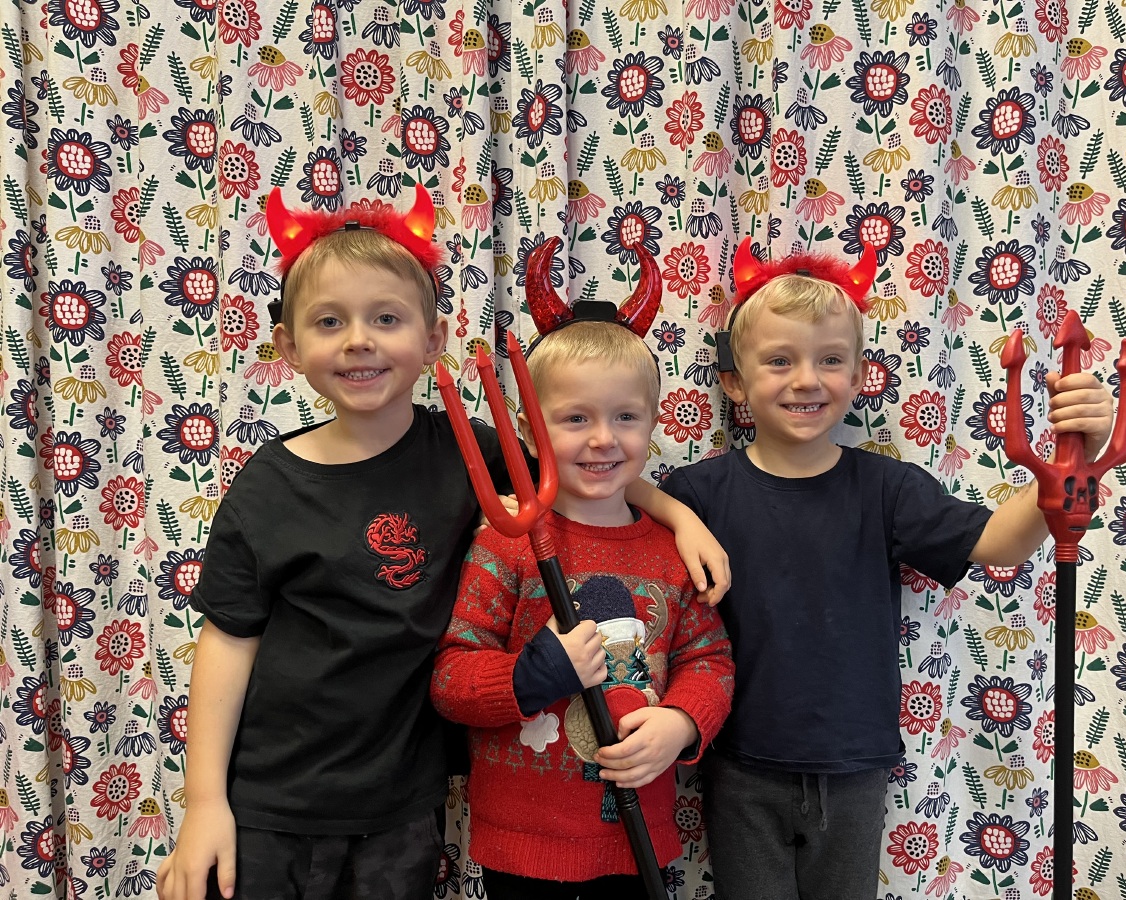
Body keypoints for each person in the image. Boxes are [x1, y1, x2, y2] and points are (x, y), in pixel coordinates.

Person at [155, 190, 729, 900]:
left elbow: (579, 469)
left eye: (386, 318)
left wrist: (675, 513)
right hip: (275, 796)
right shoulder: (267, 488)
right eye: (330, 321)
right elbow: (227, 641)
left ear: (432, 341)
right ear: (290, 347)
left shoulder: (468, 452)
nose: (358, 340)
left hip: (406, 797)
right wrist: (204, 803)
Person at [659, 241, 1116, 900]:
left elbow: (1000, 543)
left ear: (858, 377)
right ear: (734, 381)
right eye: (780, 360)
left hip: (855, 766)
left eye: (830, 360)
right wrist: (673, 514)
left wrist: (1075, 457)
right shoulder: (697, 494)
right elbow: (615, 499)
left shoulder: (887, 489)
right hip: (738, 763)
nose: (807, 380)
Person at [430, 318, 736, 899]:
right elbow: (450, 679)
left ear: (653, 423)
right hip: (522, 845)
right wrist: (532, 674)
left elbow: (710, 660)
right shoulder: (504, 545)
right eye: (576, 418)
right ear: (529, 432)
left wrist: (682, 722)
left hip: (634, 840)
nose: (603, 439)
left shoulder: (672, 553)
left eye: (626, 417)